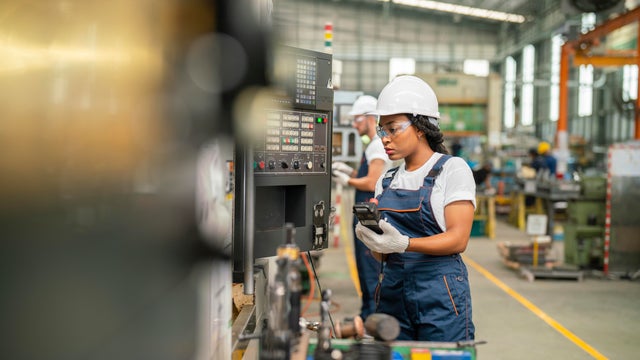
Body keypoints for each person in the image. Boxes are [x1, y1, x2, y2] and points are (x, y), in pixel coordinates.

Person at [355, 75, 476, 342]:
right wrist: (374, 241)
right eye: (381, 130)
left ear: (420, 126)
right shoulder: (386, 180)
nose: (385, 138)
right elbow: (383, 255)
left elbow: (458, 239)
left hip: (439, 295)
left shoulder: (451, 169)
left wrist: (405, 243)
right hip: (393, 292)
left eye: (393, 129)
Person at [331, 95, 391, 321]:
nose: (354, 125)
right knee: (364, 268)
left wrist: (346, 181)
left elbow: (372, 182)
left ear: (369, 118)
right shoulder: (372, 145)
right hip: (365, 212)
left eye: (357, 120)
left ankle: (371, 318)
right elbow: (364, 176)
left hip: (371, 215)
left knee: (369, 270)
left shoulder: (377, 145)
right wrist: (348, 171)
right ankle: (366, 315)